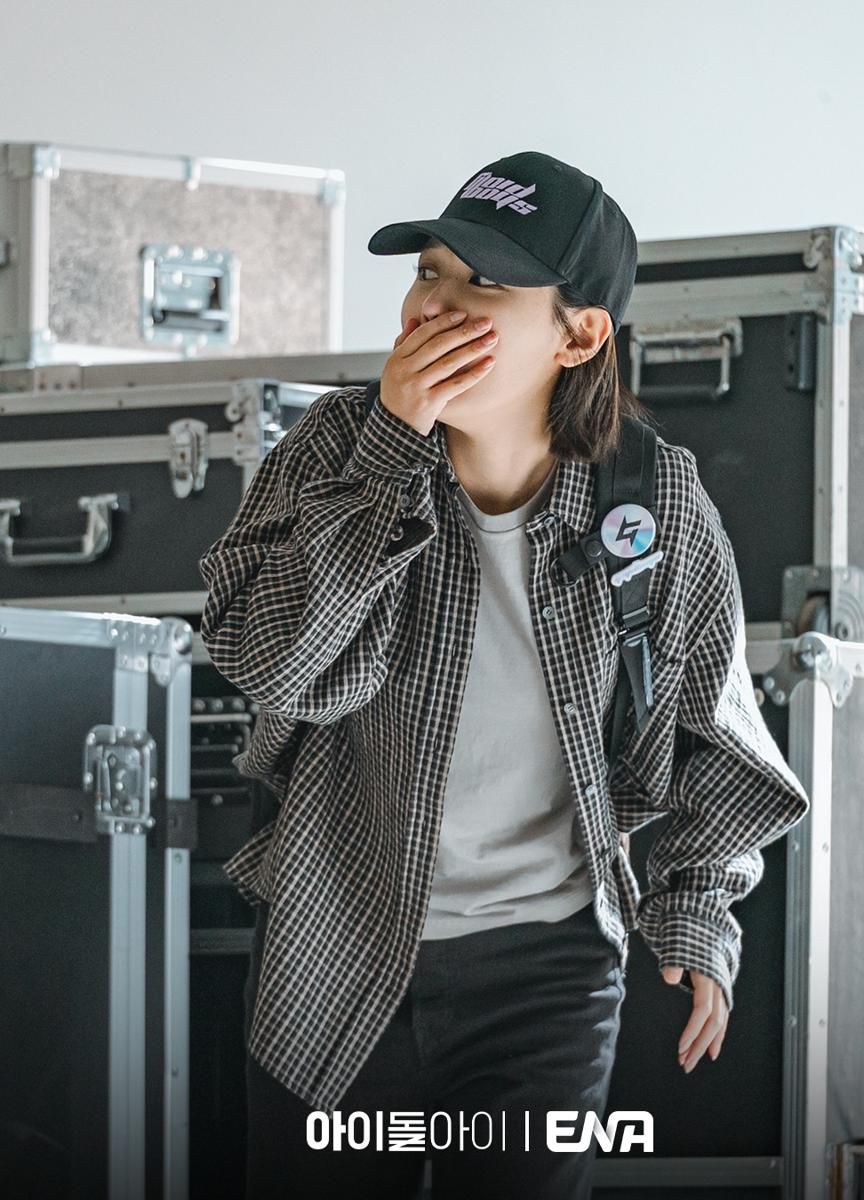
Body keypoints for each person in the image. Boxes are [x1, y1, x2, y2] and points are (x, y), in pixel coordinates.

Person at [198, 149, 810, 1200]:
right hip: (334, 941)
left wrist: (697, 911)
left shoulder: (653, 501)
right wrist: (390, 453)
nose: (435, 304)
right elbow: (271, 664)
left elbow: (718, 739)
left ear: (579, 335)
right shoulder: (335, 444)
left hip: (546, 973)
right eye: (429, 271)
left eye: (484, 282)